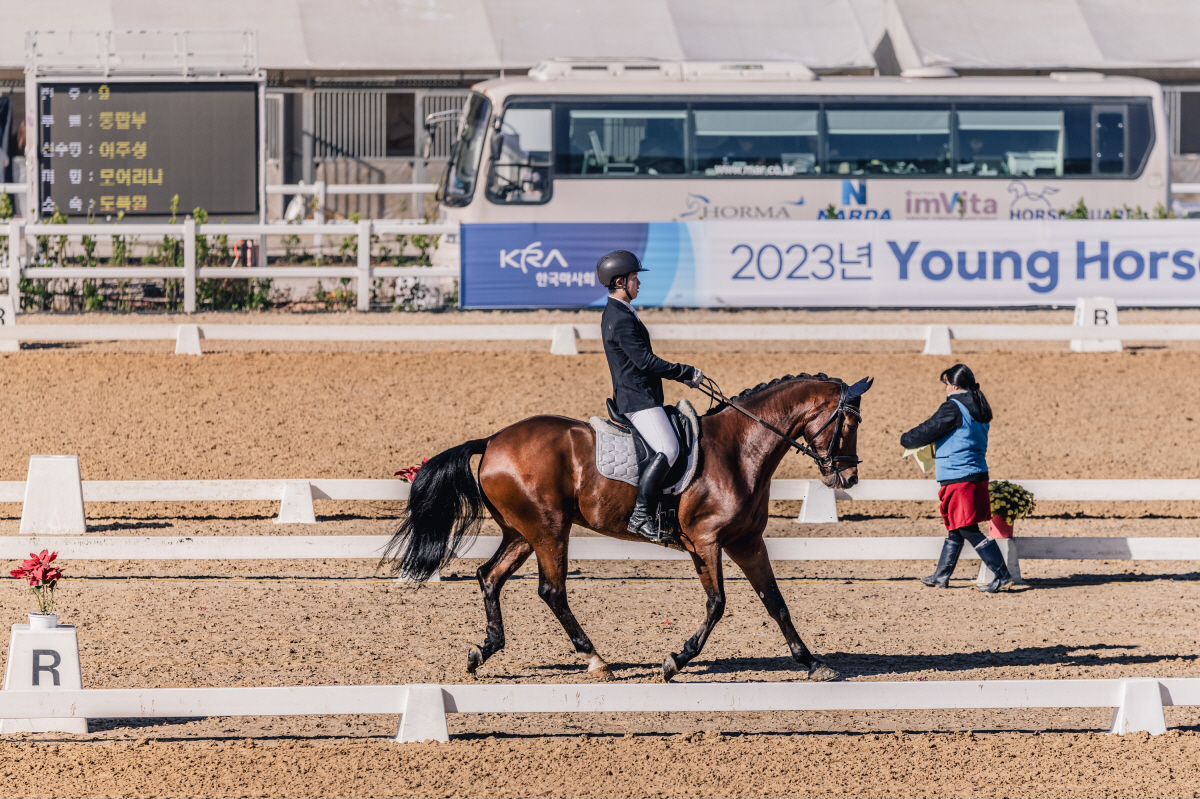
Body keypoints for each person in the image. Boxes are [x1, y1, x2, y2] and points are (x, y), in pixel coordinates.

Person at [597, 250, 703, 541]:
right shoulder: (619, 318)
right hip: (637, 399)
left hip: (641, 394)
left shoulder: (621, 311)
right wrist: (685, 372)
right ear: (620, 281)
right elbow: (645, 361)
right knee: (669, 449)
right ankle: (641, 516)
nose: (638, 283)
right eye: (634, 278)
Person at [900, 364, 1014, 593]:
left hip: (958, 475)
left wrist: (906, 439)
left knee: (968, 529)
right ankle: (940, 576)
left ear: (954, 385)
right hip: (975, 473)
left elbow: (928, 430)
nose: (945, 387)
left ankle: (1002, 575)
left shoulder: (953, 406)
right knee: (957, 527)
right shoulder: (980, 407)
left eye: (946, 383)